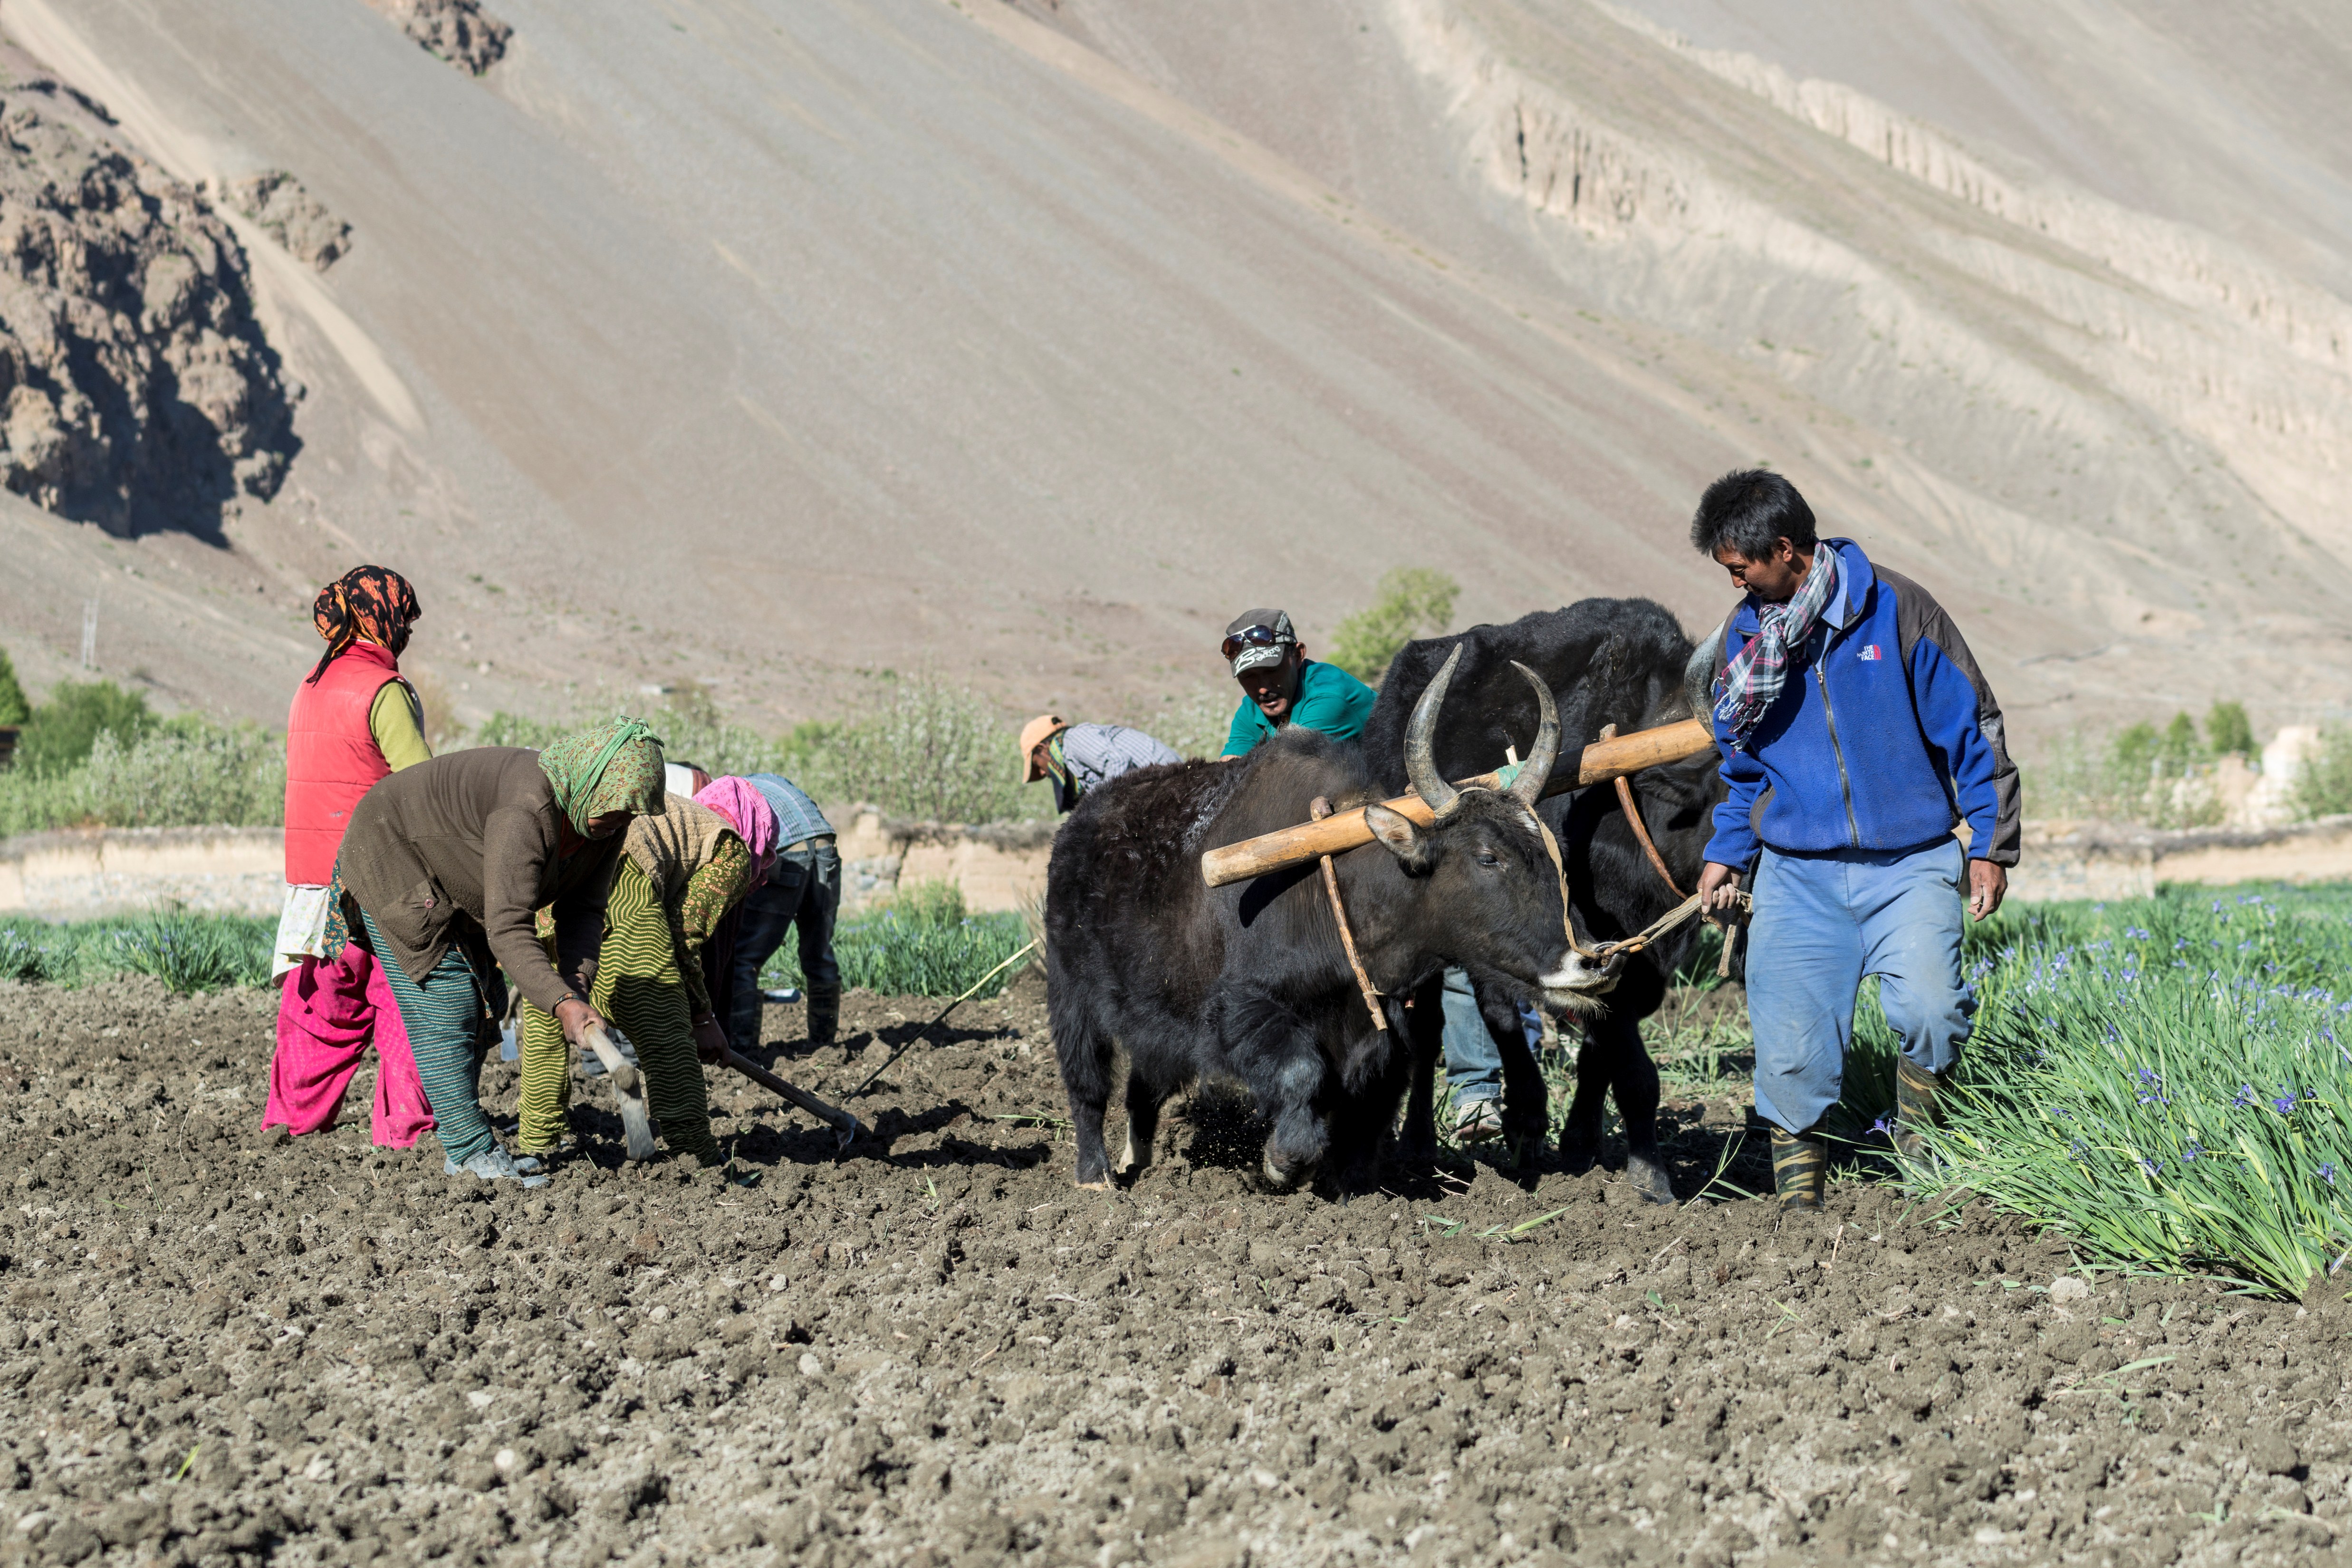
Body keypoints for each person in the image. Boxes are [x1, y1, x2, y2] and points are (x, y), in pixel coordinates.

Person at [1688, 470, 2020, 1210]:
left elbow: (1973, 727)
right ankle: (1799, 1211)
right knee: (1789, 1051)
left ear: (1783, 550)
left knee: (1933, 1013)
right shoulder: (1744, 643)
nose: (1734, 580)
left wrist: (1989, 845)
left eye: (1740, 565)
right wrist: (1726, 852)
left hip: (1909, 861)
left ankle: (1921, 1151)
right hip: (1798, 875)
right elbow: (1743, 771)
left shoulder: (1898, 609)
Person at [336, 716, 667, 1187]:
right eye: (613, 812)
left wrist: (575, 989)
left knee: (479, 1005)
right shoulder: (528, 808)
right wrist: (561, 1002)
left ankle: (466, 1149)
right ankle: (470, 1151)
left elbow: (584, 910)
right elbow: (509, 926)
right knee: (448, 1002)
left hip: (458, 877)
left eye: (629, 816)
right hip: (390, 848)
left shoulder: (606, 825)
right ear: (586, 784)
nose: (619, 823)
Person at [263, 566, 438, 1147]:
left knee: (320, 1002)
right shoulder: (382, 691)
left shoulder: (309, 685)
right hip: (378, 876)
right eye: (404, 620)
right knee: (409, 998)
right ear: (380, 618)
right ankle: (404, 1133)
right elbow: (420, 788)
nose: (407, 633)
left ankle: (292, 1120)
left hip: (314, 881)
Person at [516, 774, 774, 1167]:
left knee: (549, 1010)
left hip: (561, 876)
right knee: (662, 1025)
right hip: (623, 881)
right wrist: (702, 1018)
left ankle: (535, 1146)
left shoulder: (679, 814)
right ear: (758, 832)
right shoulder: (730, 848)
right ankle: (694, 1154)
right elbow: (683, 934)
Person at [726, 773, 843, 1052]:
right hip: (826, 849)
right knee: (820, 953)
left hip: (787, 855)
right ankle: (823, 1045)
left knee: (744, 959)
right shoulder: (773, 780)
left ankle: (742, 1051)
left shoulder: (727, 793)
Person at [1217, 608, 1375, 758]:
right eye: (1248, 677)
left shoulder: (1328, 699)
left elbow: (1288, 772)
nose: (1263, 689)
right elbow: (1230, 769)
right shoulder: (1251, 708)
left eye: (1272, 671)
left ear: (1298, 656)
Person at [1020, 715, 1180, 813]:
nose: (1042, 774)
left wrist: (1099, 809)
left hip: (1170, 785)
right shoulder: (1071, 759)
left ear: (1043, 749)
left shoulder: (1074, 738)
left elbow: (1117, 761)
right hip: (1161, 788)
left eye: (1037, 766)